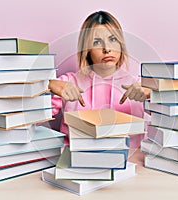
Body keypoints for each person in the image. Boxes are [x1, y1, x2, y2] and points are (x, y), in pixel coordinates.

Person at [49, 11, 150, 147]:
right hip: (76, 161)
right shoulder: (68, 83)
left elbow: (174, 118)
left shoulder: (138, 86)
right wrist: (48, 85)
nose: (107, 49)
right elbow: (27, 121)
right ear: (87, 49)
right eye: (97, 42)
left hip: (130, 162)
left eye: (113, 39)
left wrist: (153, 92)